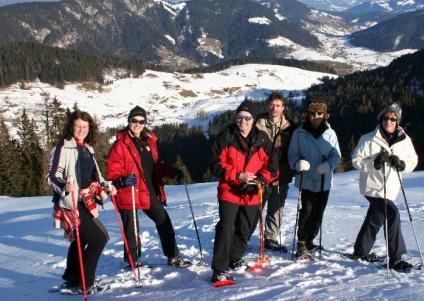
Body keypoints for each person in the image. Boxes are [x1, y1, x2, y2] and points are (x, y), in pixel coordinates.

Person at [106, 105, 190, 268]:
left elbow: (155, 166)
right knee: (132, 229)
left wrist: (173, 172)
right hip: (128, 191)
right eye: (134, 120)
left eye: (141, 121)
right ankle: (133, 262)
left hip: (148, 191)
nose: (137, 124)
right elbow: (112, 173)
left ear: (145, 123)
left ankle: (173, 256)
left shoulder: (149, 142)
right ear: (129, 121)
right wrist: (122, 181)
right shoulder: (120, 145)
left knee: (164, 221)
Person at [47, 110, 117, 293]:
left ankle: (71, 279)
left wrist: (106, 186)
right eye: (78, 126)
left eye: (85, 126)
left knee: (81, 239)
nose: (81, 129)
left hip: (86, 202)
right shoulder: (63, 147)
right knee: (99, 238)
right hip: (71, 203)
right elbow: (52, 176)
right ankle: (85, 283)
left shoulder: (88, 149)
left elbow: (96, 176)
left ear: (89, 128)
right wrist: (64, 186)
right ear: (71, 126)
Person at [210, 100, 278, 284]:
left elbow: (273, 165)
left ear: (253, 119)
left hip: (253, 191)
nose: (243, 121)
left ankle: (235, 257)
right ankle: (219, 269)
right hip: (230, 189)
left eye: (247, 118)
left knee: (246, 228)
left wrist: (261, 179)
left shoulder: (263, 139)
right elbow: (215, 165)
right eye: (240, 117)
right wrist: (238, 176)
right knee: (227, 227)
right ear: (235, 118)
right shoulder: (226, 137)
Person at [351, 102, 418, 272]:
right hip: (372, 188)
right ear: (381, 119)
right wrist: (374, 163)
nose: (389, 121)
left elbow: (413, 160)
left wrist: (402, 165)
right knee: (392, 214)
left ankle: (361, 251)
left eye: (393, 119)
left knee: (375, 218)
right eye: (386, 118)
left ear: (398, 121)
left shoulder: (404, 139)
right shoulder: (368, 139)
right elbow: (356, 161)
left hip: (391, 189)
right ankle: (395, 258)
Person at [288, 101, 341, 259]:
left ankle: (310, 240)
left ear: (324, 115)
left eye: (319, 114)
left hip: (324, 179)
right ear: (308, 115)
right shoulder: (299, 133)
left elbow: (336, 155)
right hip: (306, 178)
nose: (315, 117)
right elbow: (292, 155)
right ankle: (302, 242)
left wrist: (329, 165)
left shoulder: (331, 133)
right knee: (307, 210)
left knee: (319, 212)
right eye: (312, 114)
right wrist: (297, 164)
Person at [255, 92, 296, 253]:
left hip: (281, 173)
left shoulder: (290, 128)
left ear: (283, 107)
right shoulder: (257, 124)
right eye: (272, 105)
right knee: (254, 207)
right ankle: (241, 236)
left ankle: (270, 238)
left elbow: (294, 150)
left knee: (276, 207)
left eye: (278, 105)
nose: (274, 108)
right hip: (260, 173)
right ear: (267, 106)